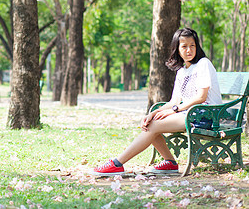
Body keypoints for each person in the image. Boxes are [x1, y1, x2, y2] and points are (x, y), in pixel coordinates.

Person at [92, 28, 222, 175]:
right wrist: (154, 112)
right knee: (150, 122)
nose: (189, 50)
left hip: (207, 115)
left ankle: (117, 163)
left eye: (192, 45)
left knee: (153, 126)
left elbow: (201, 97)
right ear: (177, 49)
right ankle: (170, 163)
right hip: (189, 113)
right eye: (184, 46)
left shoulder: (203, 64)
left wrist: (173, 110)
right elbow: (174, 100)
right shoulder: (181, 71)